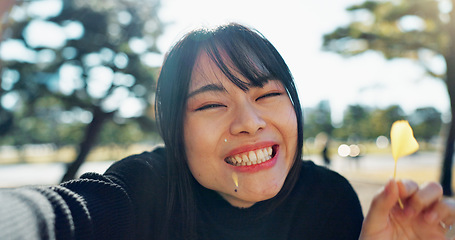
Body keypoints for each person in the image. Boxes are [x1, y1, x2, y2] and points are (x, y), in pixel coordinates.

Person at [0, 14, 454, 240]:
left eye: (267, 95)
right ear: (174, 130)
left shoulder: (328, 201)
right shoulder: (142, 191)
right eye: (212, 104)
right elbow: (56, 217)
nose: (249, 123)